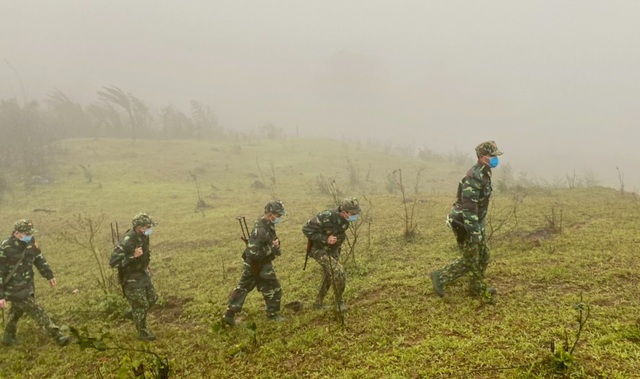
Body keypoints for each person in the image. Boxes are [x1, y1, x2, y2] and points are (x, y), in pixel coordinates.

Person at [431, 141, 503, 303]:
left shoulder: (485, 173)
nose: (495, 159)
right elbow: (469, 210)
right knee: (470, 259)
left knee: (484, 255)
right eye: (492, 156)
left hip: (477, 222)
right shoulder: (474, 178)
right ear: (482, 157)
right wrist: (475, 234)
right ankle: (440, 276)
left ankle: (476, 286)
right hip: (466, 223)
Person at [0, 219, 71, 346]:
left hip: (27, 284)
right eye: (27, 233)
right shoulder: (5, 247)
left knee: (17, 311)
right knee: (38, 311)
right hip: (14, 288)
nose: (30, 236)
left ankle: (8, 337)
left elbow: (38, 258)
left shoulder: (31, 243)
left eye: (30, 233)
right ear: (17, 233)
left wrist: (49, 275)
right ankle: (57, 336)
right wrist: (1, 295)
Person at [222, 200, 287, 326]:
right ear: (270, 214)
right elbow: (252, 253)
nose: (279, 218)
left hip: (258, 264)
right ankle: (273, 315)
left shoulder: (267, 224)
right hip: (257, 264)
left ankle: (229, 314)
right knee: (274, 288)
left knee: (244, 287)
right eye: (278, 216)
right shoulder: (260, 230)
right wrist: (272, 248)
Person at [302, 197, 361, 313]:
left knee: (330, 275)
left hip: (333, 250)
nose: (355, 216)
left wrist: (336, 243)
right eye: (353, 213)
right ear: (344, 212)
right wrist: (325, 239)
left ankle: (318, 303)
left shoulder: (345, 221)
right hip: (318, 249)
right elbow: (306, 229)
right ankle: (339, 302)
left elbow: (340, 234)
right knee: (339, 272)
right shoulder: (325, 216)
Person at [109, 213, 159, 341]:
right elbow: (113, 262)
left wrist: (145, 264)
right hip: (130, 277)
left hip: (142, 273)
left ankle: (133, 313)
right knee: (141, 305)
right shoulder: (127, 241)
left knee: (152, 298)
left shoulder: (144, 236)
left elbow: (145, 252)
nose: (149, 229)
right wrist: (133, 256)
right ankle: (142, 333)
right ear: (139, 227)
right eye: (147, 226)